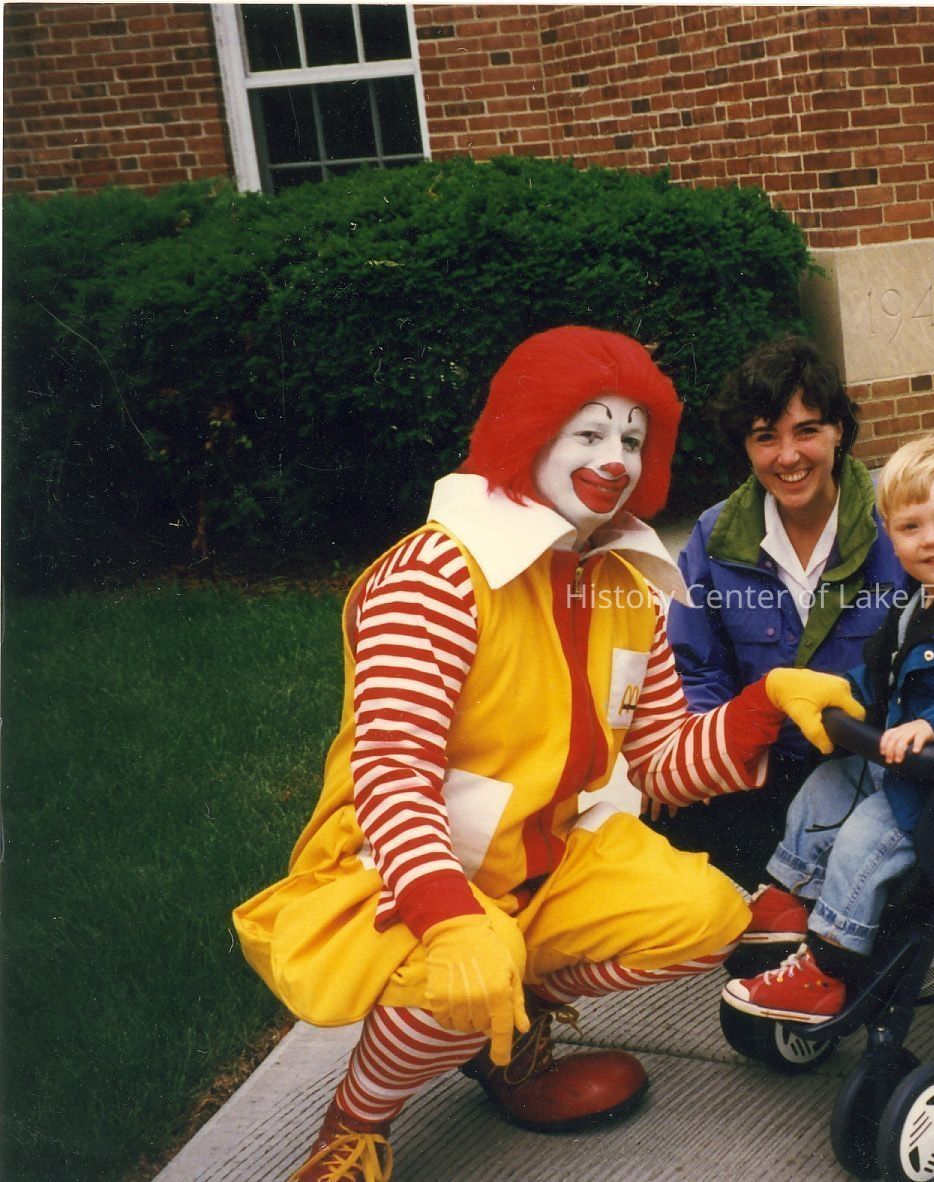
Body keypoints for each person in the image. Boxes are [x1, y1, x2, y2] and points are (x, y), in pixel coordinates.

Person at [231, 327, 861, 1182]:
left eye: (631, 439)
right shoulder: (433, 576)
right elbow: (392, 773)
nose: (615, 459)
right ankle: (351, 1128)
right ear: (528, 431)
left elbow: (661, 763)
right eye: (588, 431)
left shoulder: (622, 582)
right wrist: (450, 917)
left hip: (544, 860)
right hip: (403, 868)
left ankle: (508, 1030)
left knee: (707, 916)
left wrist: (763, 705)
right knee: (467, 966)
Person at [718, 427, 934, 1023]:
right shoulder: (916, 605)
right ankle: (788, 897)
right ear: (891, 535)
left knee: (866, 834)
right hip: (908, 764)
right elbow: (883, 675)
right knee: (828, 784)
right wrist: (848, 700)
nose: (932, 539)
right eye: (911, 527)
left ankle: (830, 965)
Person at [660, 337, 908, 887]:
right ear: (746, 448)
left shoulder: (899, 525)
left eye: (807, 430)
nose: (788, 456)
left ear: (839, 430)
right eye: (765, 436)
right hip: (761, 767)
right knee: (672, 859)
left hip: (870, 770)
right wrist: (708, 766)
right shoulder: (715, 536)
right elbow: (695, 669)